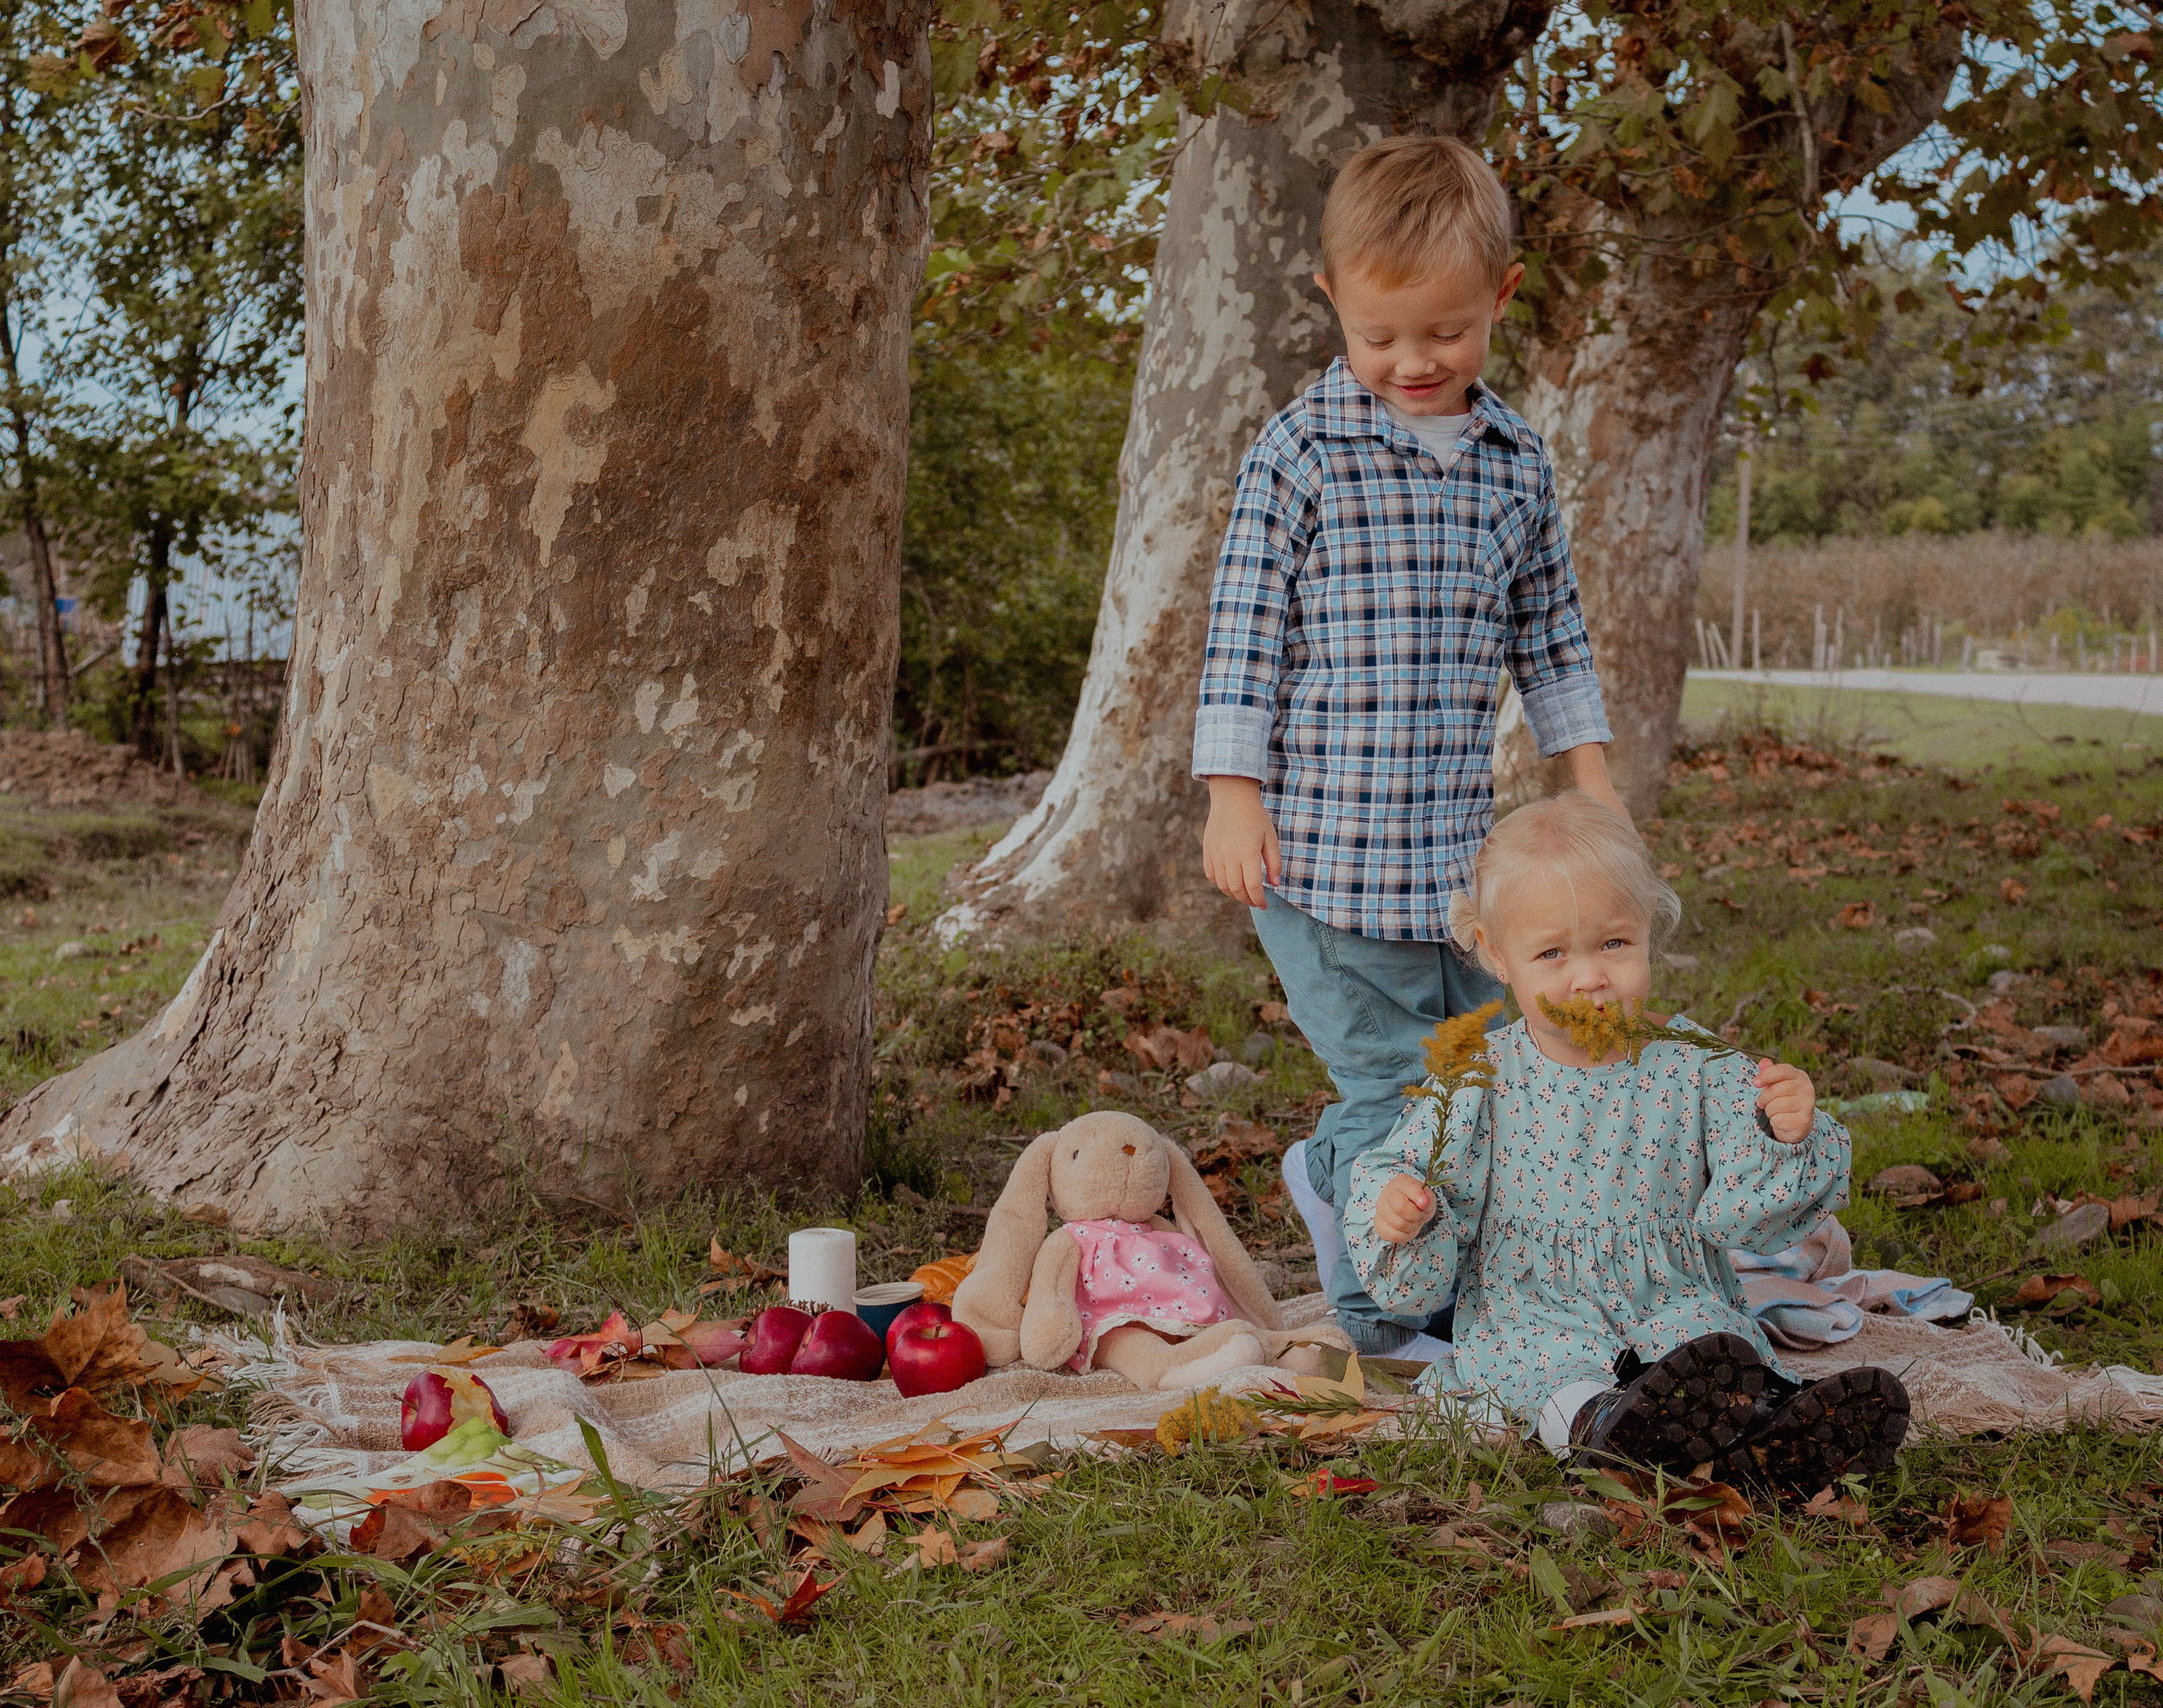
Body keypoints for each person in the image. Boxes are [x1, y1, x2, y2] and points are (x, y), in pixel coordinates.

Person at [1192, 133, 1621, 1359]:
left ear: (1503, 297)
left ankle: (1469, 1254)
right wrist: (1234, 794)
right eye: (1380, 337)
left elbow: (1554, 637)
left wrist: (1589, 789)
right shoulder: (1301, 454)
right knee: (1395, 1091)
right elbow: (1242, 641)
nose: (1413, 362)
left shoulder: (1513, 462)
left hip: (1452, 869)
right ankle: (1380, 1285)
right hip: (1319, 865)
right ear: (1332, 298)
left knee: (1493, 1077)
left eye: (1444, 332)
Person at [1344, 791, 1910, 1493]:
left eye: (1613, 943)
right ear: (1497, 956)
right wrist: (1403, 1207)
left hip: (1670, 1289)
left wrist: (1781, 1130)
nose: (1589, 978)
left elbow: (1754, 1219)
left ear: (1647, 927)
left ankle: (1775, 1427)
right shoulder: (1479, 1079)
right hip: (1534, 1302)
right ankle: (1603, 1428)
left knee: (1710, 1343)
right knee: (1543, 1367)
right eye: (1551, 953)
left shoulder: (1694, 1063)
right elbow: (1407, 1167)